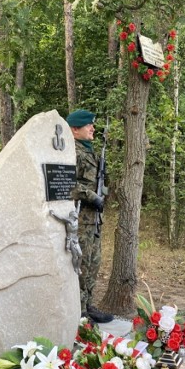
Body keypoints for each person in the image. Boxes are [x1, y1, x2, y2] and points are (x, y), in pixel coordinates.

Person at [66, 109, 114, 324]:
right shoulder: (72, 152)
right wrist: (92, 196)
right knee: (81, 264)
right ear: (75, 129)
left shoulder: (90, 151)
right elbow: (67, 184)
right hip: (79, 217)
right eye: (88, 125)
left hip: (93, 219)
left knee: (93, 263)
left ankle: (87, 305)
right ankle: (78, 310)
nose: (93, 128)